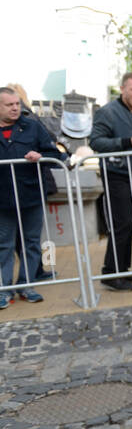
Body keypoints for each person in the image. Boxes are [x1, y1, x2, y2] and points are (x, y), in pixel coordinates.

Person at [0, 86, 65, 308]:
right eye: (9, 105)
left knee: (31, 243)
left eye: (17, 103)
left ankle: (26, 285)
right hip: (3, 199)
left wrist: (41, 155)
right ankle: (5, 289)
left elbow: (56, 154)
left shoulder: (32, 126)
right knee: (5, 244)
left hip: (31, 195)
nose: (15, 108)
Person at [90, 72, 132, 291]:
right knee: (122, 223)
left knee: (129, 223)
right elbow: (96, 142)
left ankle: (122, 270)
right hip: (116, 173)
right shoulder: (107, 112)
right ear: (123, 89)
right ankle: (111, 272)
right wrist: (128, 141)